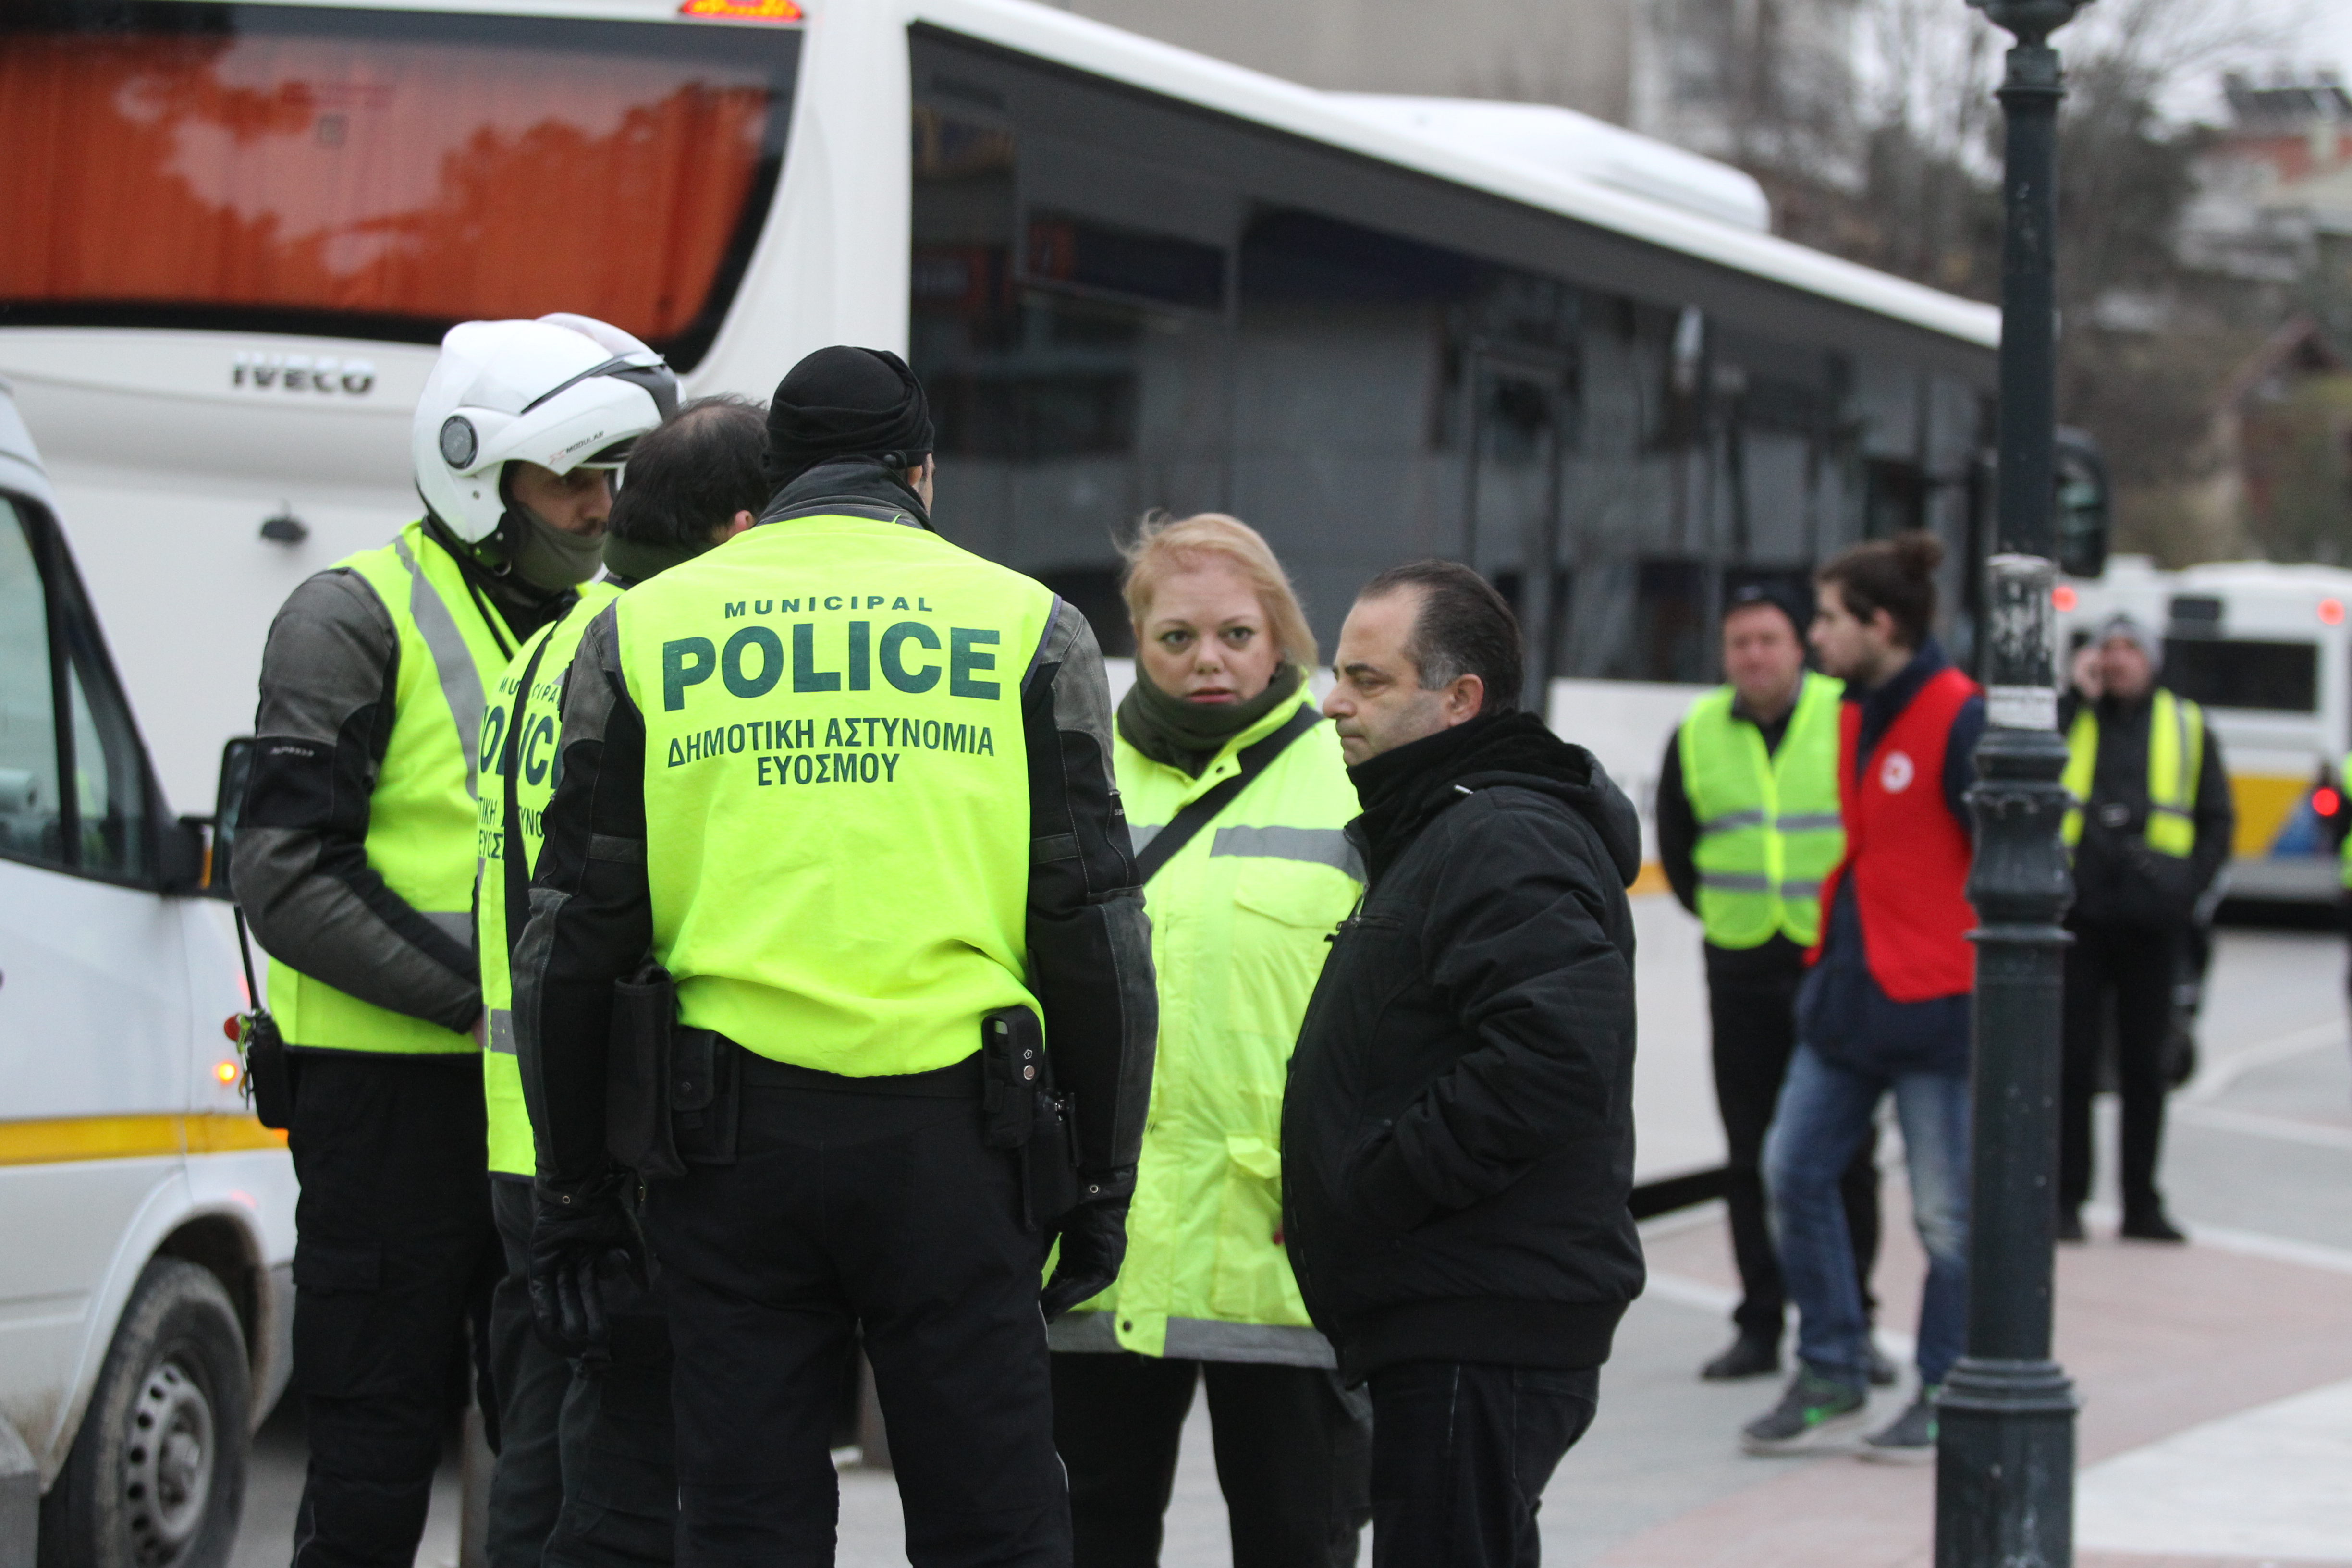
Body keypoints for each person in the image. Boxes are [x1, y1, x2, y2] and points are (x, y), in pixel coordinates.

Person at [512, 345, 1158, 1563]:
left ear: (776, 476)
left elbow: (575, 931)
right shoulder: (1031, 628)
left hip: (726, 1148)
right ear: (922, 471)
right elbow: (1092, 923)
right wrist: (1105, 1180)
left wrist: (575, 1192)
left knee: (749, 1525)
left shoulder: (643, 630)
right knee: (994, 1525)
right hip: (961, 1146)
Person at [234, 313, 673, 1565]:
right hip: (390, 1102)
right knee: (376, 1441)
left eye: (613, 480)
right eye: (573, 481)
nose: (601, 508)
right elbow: (284, 873)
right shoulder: (350, 615)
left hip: (536, 1108)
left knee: (542, 1434)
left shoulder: (603, 627)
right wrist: (491, 1006)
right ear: (481, 479)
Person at [1282, 560, 1644, 1567]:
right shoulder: (1452, 822)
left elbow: (1555, 1055)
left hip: (1478, 1314)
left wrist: (1377, 1182)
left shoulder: (1501, 831)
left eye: (1368, 679)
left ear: (1459, 700)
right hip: (1460, 1306)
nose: (1333, 703)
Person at [477, 396, 769, 1566]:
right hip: (625, 1126)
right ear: (741, 531)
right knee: (631, 1485)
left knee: (545, 1457)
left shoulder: (550, 640)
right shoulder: (664, 650)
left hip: (526, 1124)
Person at [1050, 513, 1371, 1568]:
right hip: (1102, 1255)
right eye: (1176, 638)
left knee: (1298, 1541)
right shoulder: (1070, 776)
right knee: (1088, 1541)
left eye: (1237, 633)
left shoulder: (1354, 779)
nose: (1209, 662)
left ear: (1282, 634)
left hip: (1285, 1255)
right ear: (1134, 641)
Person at [1740, 531, 1981, 1463]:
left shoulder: (1961, 718)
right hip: (1847, 1000)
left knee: (1945, 1219)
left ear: (1881, 624)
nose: (1816, 635)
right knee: (1792, 1173)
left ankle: (1947, 1386)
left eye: (1831, 618)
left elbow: (2007, 868)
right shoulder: (1848, 713)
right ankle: (1834, 1367)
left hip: (1938, 1007)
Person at [1655, 584, 1885, 1384]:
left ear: (1800, 646)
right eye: (1739, 643)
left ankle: (1855, 1323)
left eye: (1768, 639)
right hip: (1744, 964)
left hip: (1835, 965)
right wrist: (1726, 916)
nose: (1754, 656)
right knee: (1749, 1155)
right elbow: (1682, 854)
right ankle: (1761, 1323)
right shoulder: (1696, 734)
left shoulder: (1847, 715)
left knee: (1846, 1151)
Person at [2057, 612, 2230, 1244]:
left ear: (2152, 660)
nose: (2119, 660)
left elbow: (2217, 817)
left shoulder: (2184, 724)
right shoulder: (2072, 716)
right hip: (2078, 915)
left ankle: (2141, 1201)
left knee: (2145, 1068)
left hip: (2153, 922)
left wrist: (2185, 889)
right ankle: (2067, 1199)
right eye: (2109, 648)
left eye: (2131, 649)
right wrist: (2075, 696)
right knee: (2070, 1065)